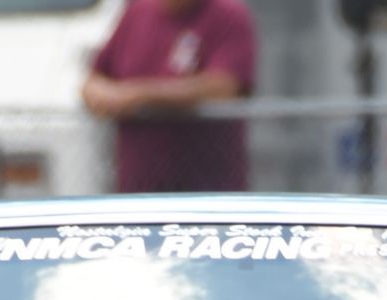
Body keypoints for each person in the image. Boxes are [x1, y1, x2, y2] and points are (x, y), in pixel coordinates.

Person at [81, 0, 257, 193]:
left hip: (208, 190)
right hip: (138, 189)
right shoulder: (138, 11)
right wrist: (102, 96)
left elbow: (223, 87)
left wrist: (139, 96)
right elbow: (94, 79)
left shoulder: (229, 13)